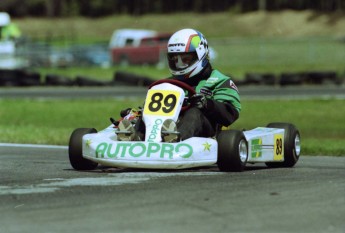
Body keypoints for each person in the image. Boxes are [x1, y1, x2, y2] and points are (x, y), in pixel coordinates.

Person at [117, 28, 241, 142]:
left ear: (201, 55)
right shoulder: (168, 84)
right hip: (166, 127)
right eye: (175, 60)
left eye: (185, 59)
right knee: (146, 113)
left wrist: (207, 104)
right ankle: (136, 137)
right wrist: (137, 113)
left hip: (207, 132)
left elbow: (230, 114)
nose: (179, 65)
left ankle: (176, 139)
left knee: (194, 112)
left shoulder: (219, 81)